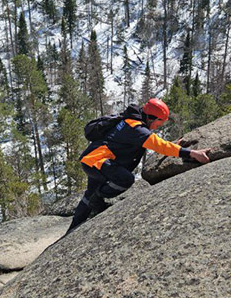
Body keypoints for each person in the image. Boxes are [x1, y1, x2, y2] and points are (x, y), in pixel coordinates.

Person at [67, 98, 211, 233]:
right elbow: (158, 145)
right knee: (125, 180)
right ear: (151, 118)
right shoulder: (135, 128)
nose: (156, 127)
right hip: (98, 161)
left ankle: (71, 231)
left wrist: (173, 147)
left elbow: (154, 143)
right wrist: (191, 153)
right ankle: (97, 198)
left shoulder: (131, 121)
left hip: (93, 160)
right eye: (158, 124)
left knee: (88, 196)